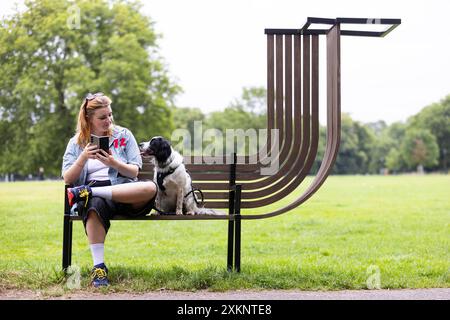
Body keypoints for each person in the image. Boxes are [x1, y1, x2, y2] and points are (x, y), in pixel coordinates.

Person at [62, 92, 157, 287]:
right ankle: (99, 268)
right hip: (95, 196)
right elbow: (68, 178)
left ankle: (90, 192)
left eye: (110, 115)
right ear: (89, 118)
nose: (109, 120)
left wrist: (113, 162)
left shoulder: (124, 135)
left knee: (149, 187)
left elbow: (133, 172)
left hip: (124, 191)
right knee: (94, 203)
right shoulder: (77, 142)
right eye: (102, 117)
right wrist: (83, 158)